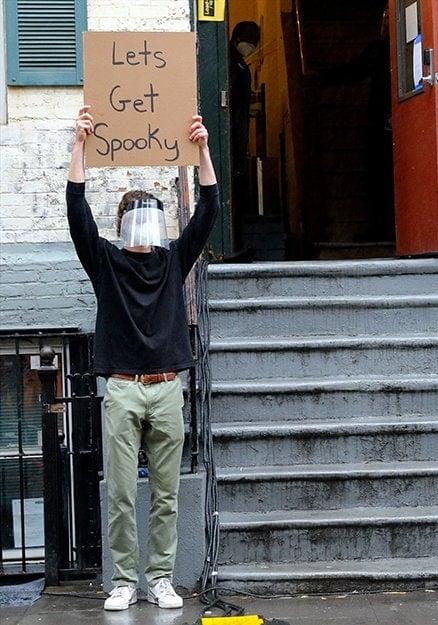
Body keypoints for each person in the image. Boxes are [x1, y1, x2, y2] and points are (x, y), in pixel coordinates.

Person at [66, 105, 219, 610]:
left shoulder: (173, 259)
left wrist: (202, 151)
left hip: (166, 384)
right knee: (122, 493)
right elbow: (77, 213)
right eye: (137, 218)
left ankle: (160, 578)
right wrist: (79, 146)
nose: (144, 228)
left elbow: (208, 212)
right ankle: (125, 580)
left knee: (168, 492)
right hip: (124, 386)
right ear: (125, 224)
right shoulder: (106, 262)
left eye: (149, 218)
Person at [318, 4, 394, 241]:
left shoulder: (381, 48)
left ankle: (382, 228)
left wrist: (319, 79)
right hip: (387, 119)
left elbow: (355, 70)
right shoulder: (394, 49)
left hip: (382, 120)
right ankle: (389, 229)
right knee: (382, 174)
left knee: (378, 174)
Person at [229, 21, 261, 260]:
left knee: (236, 188)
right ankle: (233, 246)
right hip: (232, 138)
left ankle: (236, 245)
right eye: (247, 40)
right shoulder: (231, 65)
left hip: (238, 137)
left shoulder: (240, 66)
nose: (249, 46)